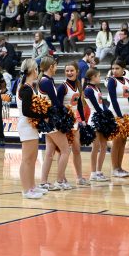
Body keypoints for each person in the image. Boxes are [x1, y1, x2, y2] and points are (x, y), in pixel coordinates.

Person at [16, 58, 48, 199]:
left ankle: (32, 186)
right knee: (27, 159)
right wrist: (43, 114)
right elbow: (26, 111)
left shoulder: (28, 87)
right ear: (30, 71)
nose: (37, 72)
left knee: (33, 158)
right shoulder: (25, 89)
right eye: (35, 69)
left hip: (31, 126)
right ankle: (26, 190)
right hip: (26, 126)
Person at [38, 56, 71, 190]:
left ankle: (43, 182)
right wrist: (66, 113)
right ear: (51, 67)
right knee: (65, 150)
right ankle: (59, 180)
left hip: (48, 120)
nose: (57, 68)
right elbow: (56, 102)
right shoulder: (46, 81)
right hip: (51, 120)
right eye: (56, 65)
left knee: (49, 153)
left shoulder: (47, 80)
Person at [57, 61, 90, 185]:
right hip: (65, 123)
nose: (69, 73)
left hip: (75, 123)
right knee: (63, 151)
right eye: (67, 71)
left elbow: (80, 105)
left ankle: (79, 177)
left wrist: (83, 120)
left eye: (71, 70)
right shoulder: (62, 87)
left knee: (77, 150)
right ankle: (62, 177)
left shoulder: (78, 86)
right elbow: (58, 105)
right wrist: (63, 120)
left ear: (77, 72)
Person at [107, 58, 129, 177]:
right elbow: (113, 100)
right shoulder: (111, 81)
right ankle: (114, 168)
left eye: (117, 68)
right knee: (116, 141)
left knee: (123, 141)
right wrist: (119, 116)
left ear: (123, 69)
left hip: (126, 112)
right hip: (115, 113)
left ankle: (120, 167)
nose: (114, 71)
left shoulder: (127, 81)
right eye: (113, 68)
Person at [84, 68, 109, 181]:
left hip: (101, 118)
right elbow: (96, 106)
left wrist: (107, 113)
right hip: (94, 119)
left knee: (104, 146)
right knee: (96, 147)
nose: (100, 78)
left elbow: (102, 104)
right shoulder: (88, 90)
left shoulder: (97, 88)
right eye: (98, 76)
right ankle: (93, 173)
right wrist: (104, 115)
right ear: (93, 77)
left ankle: (99, 171)